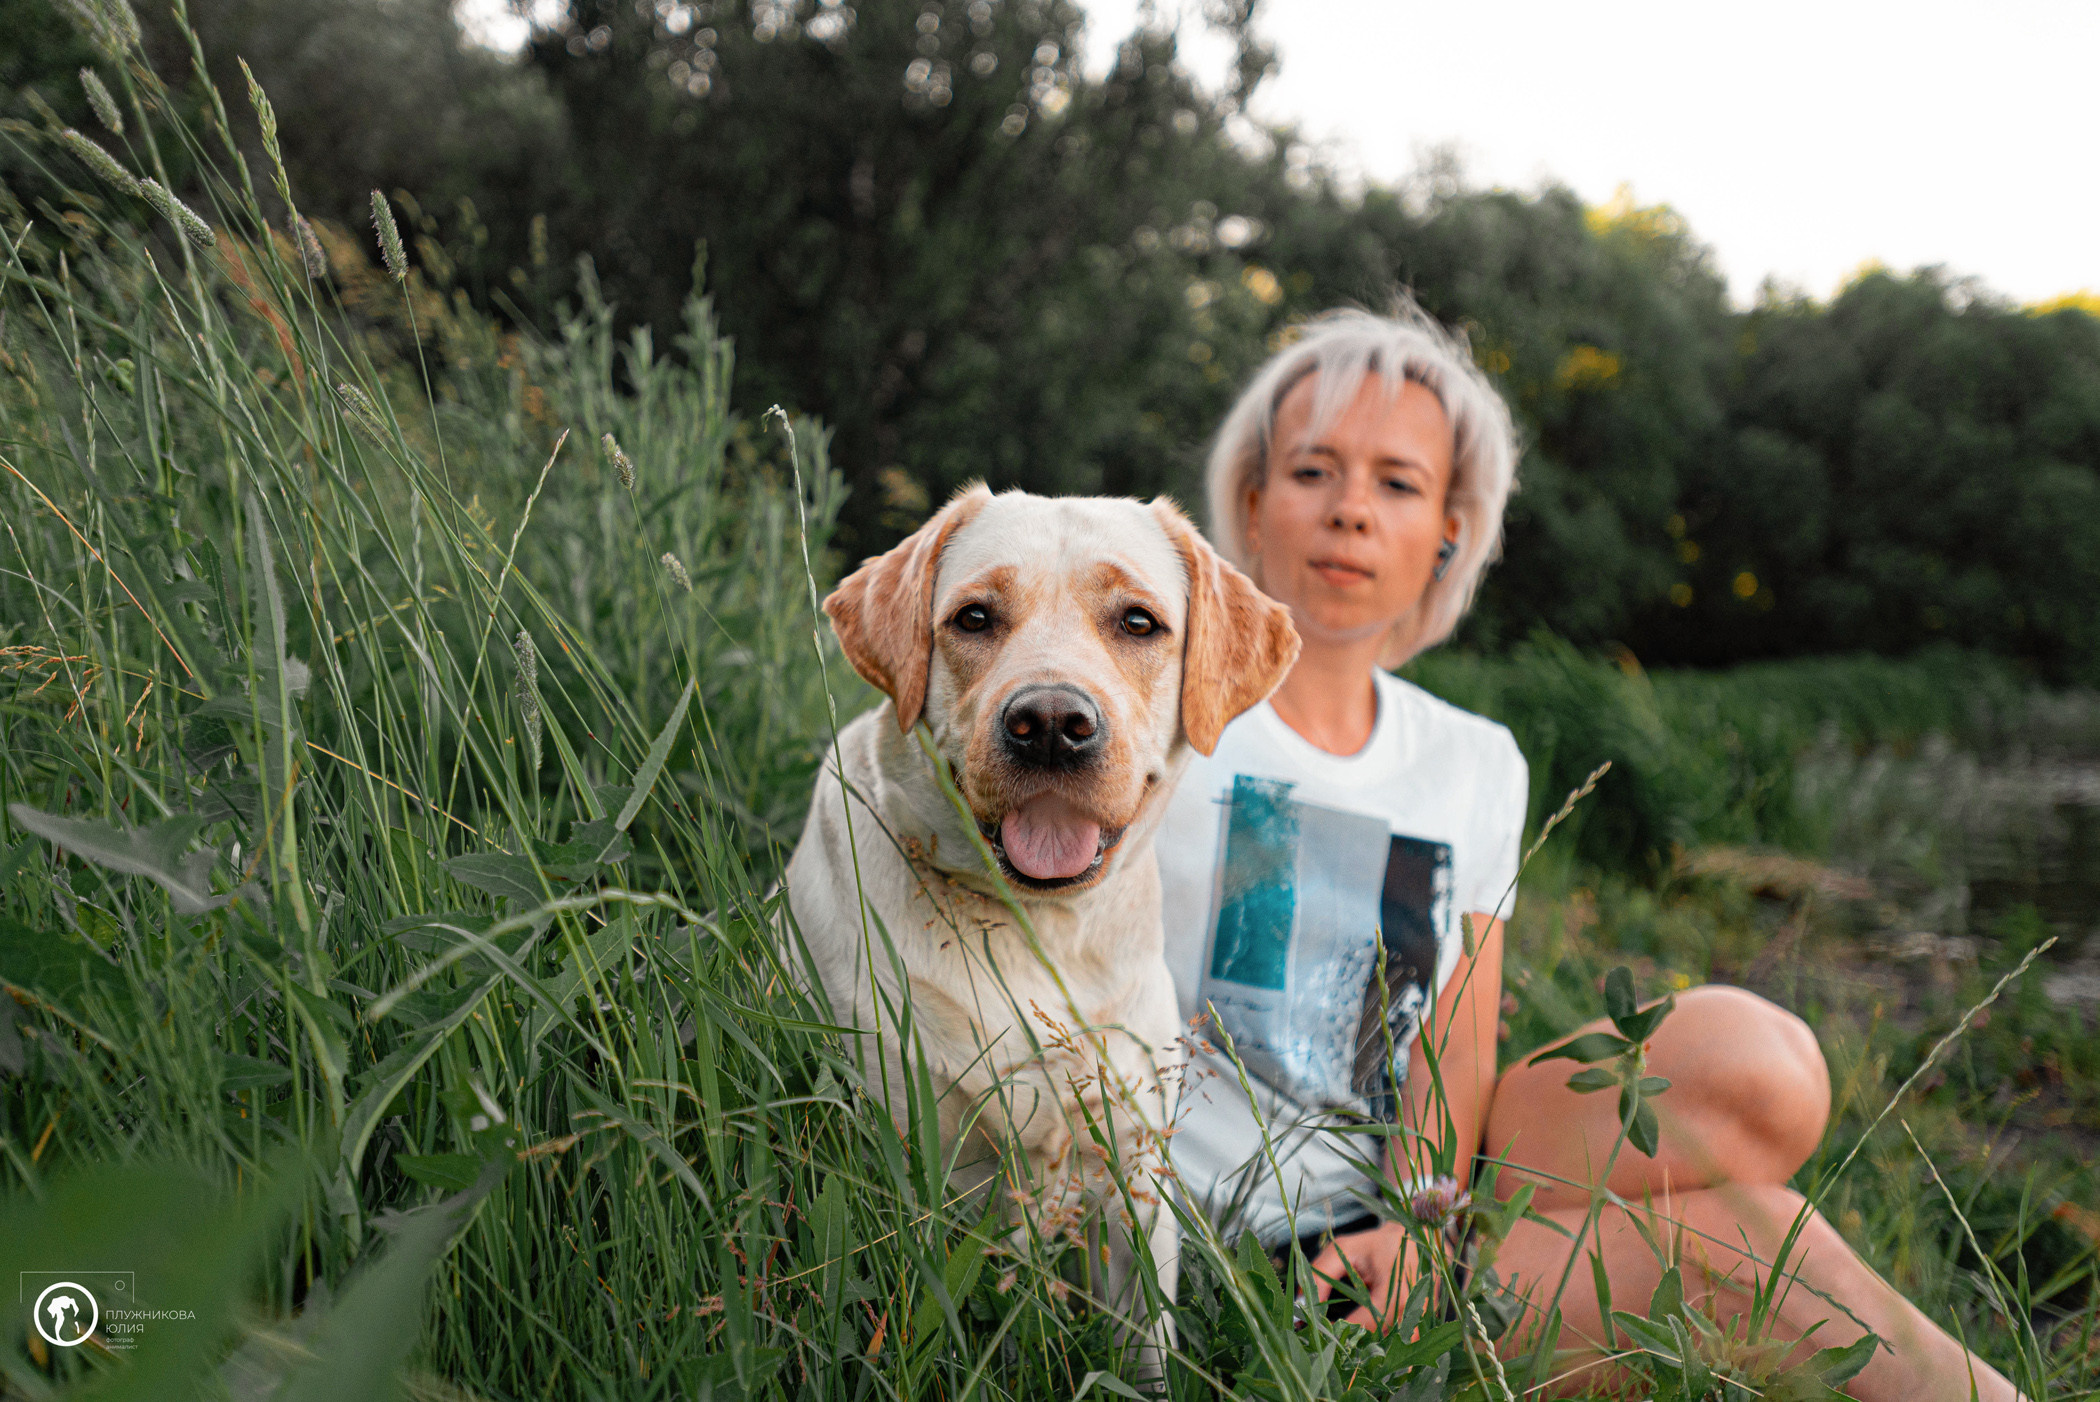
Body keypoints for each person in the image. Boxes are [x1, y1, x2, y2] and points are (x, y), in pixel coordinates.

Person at [1155, 305, 2018, 1397]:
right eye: (1313, 470)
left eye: (1398, 484)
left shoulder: (1474, 760)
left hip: (1404, 1224)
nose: (1351, 512)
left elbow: (1456, 1050)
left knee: (1771, 1067)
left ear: (1449, 535)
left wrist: (1423, 1233)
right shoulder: (1158, 705)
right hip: (1215, 1253)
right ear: (1250, 503)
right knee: (1735, 1248)